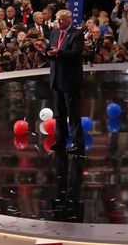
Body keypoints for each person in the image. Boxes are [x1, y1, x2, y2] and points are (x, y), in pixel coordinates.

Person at [46, 10, 85, 155]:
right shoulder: (55, 33)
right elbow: (51, 51)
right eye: (57, 19)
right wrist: (44, 51)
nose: (58, 22)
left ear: (69, 20)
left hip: (70, 80)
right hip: (56, 78)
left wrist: (58, 53)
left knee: (73, 114)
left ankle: (78, 143)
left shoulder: (77, 35)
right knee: (59, 113)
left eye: (60, 19)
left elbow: (75, 54)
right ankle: (60, 140)